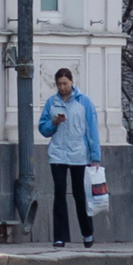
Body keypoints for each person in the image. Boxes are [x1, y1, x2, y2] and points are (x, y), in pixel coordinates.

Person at [38, 65, 101, 248]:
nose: (62, 87)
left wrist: (95, 157)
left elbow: (92, 130)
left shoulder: (84, 102)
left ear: (72, 82)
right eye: (59, 84)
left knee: (80, 194)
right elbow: (43, 128)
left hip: (79, 154)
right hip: (57, 153)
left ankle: (87, 232)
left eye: (65, 83)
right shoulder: (52, 102)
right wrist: (54, 122)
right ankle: (60, 236)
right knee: (59, 194)